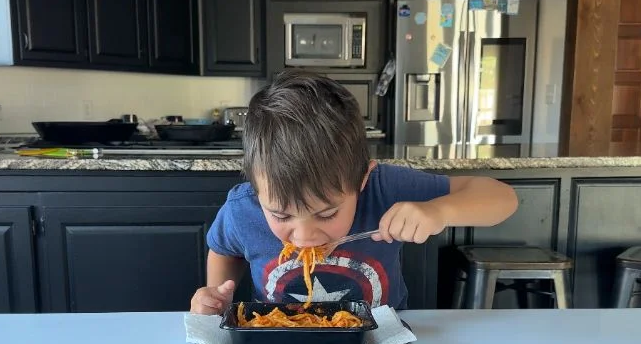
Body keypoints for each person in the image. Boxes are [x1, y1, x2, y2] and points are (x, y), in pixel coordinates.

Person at [190, 70, 518, 315]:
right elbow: (224, 248)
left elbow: (502, 198)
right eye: (280, 215)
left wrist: (439, 211)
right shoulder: (243, 207)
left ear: (363, 180)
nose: (304, 238)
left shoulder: (385, 187)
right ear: (257, 188)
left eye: (327, 213)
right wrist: (219, 295)